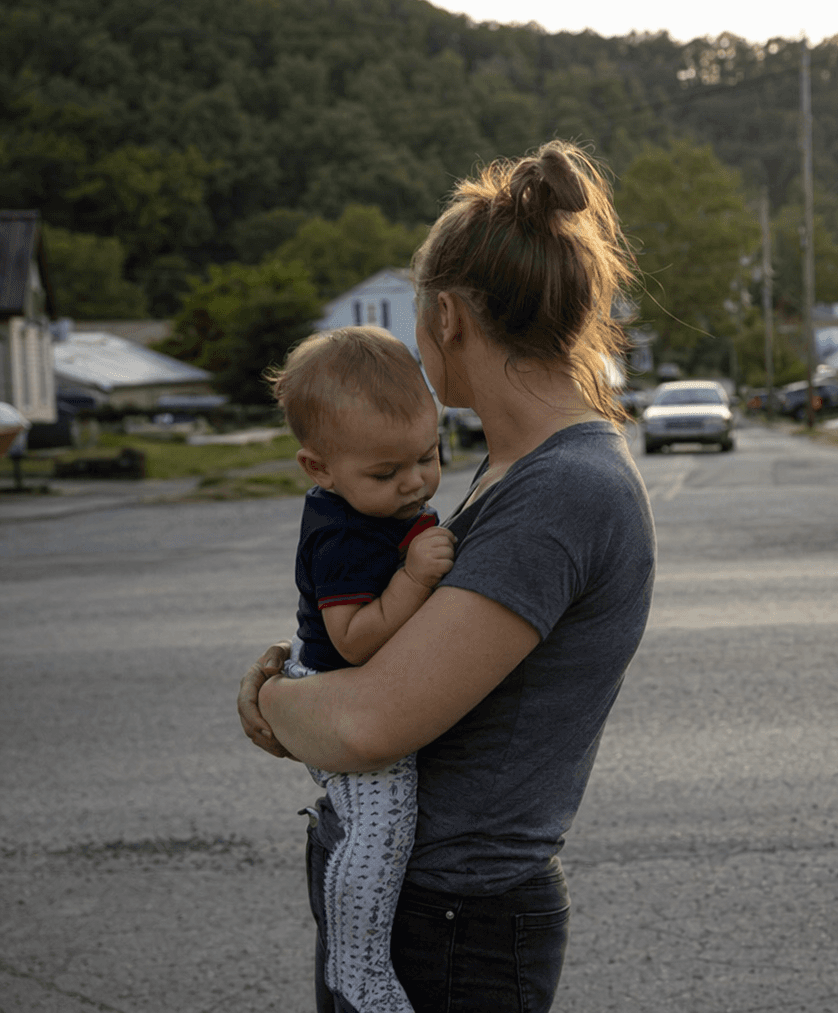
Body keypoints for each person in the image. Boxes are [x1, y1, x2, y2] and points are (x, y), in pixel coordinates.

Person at [238, 140, 656, 1013]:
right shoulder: (516, 468)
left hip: (454, 920)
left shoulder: (564, 491)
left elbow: (367, 726)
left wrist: (270, 700)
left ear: (451, 318)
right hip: (428, 904)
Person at [269, 324, 459, 1013]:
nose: (414, 483)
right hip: (333, 694)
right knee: (379, 825)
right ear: (318, 468)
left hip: (339, 687)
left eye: (428, 456)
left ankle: (359, 961)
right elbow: (352, 640)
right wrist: (412, 578)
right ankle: (358, 966)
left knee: (386, 821)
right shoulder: (345, 536)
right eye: (386, 474)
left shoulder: (377, 504)